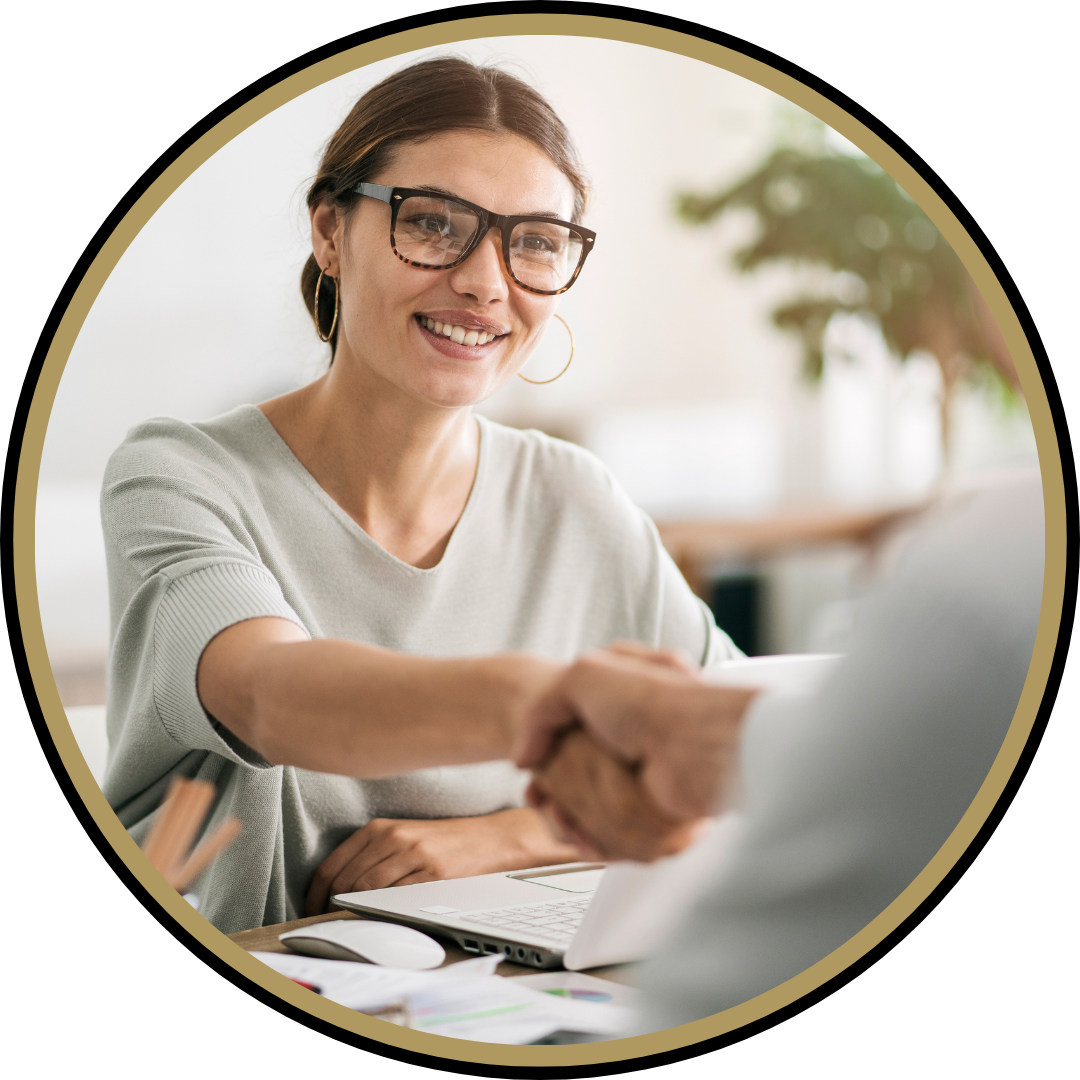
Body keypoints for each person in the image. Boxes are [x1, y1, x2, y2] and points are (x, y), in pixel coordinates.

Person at [101, 57, 740, 935]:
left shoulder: (574, 497)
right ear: (330, 232)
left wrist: (515, 835)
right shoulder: (180, 474)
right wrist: (548, 706)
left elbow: (730, 755)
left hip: (487, 989)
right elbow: (269, 698)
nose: (486, 282)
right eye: (435, 224)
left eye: (536, 242)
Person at [519, 472, 1044, 1030]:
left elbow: (705, 1008)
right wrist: (731, 738)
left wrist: (518, 831)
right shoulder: (1006, 558)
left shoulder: (986, 579)